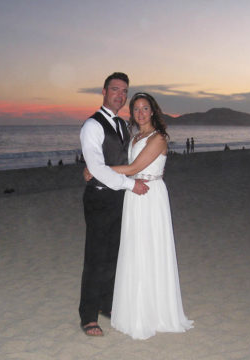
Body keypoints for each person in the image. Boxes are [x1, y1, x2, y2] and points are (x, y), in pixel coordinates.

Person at [88, 92, 193, 340]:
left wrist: (97, 170)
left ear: (153, 111)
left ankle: (155, 312)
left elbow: (135, 168)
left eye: (145, 108)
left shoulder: (158, 138)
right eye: (136, 109)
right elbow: (129, 169)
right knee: (135, 248)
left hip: (151, 195)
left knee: (151, 248)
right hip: (133, 194)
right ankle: (136, 307)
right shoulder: (136, 137)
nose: (141, 113)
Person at [79, 72, 149, 337]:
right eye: (115, 90)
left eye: (124, 92)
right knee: (96, 257)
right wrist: (131, 184)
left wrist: (128, 180)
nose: (120, 95)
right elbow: (96, 166)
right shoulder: (92, 126)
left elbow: (125, 161)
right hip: (99, 198)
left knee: (113, 255)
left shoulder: (122, 125)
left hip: (120, 197)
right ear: (104, 92)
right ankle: (87, 315)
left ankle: (105, 304)